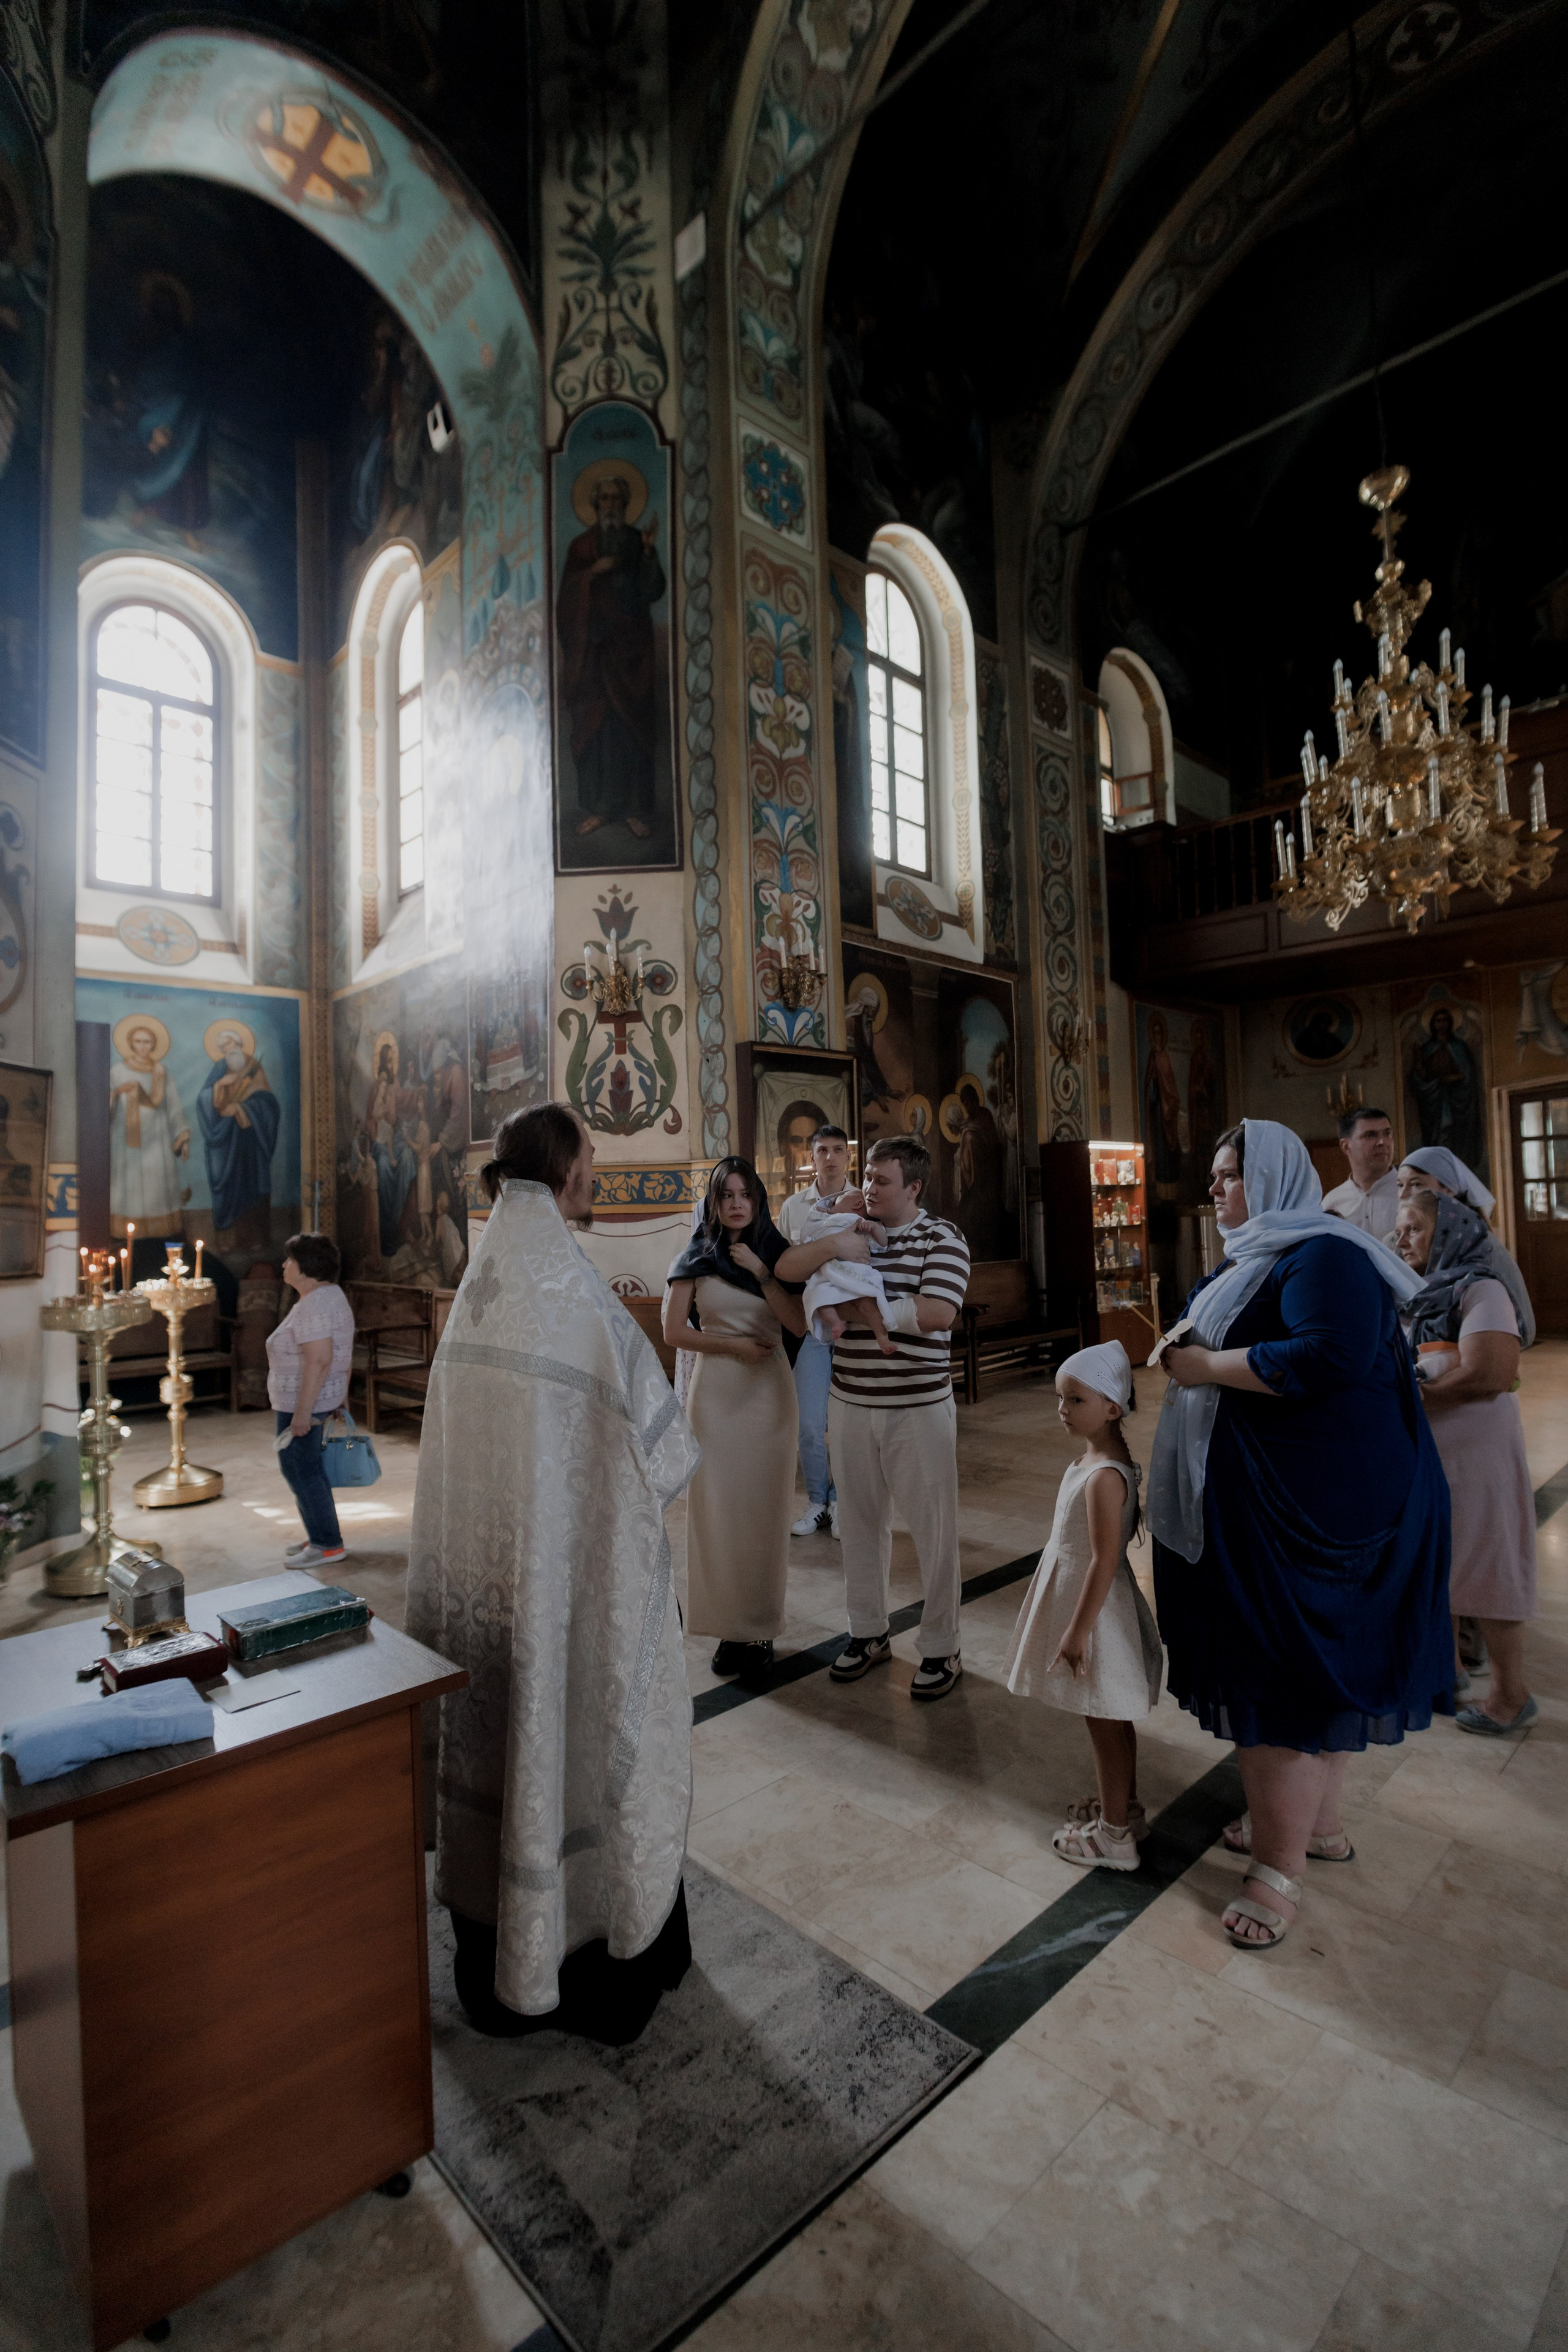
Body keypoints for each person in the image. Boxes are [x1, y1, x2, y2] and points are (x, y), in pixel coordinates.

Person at [405, 1102, 700, 2045]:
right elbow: (663, 1451)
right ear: (566, 1170)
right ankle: (589, 1962)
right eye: (591, 1156)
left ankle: (494, 1960)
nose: (597, 1172)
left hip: (487, 1586)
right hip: (563, 1585)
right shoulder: (573, 1297)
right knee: (574, 1735)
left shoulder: (481, 1287)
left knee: (504, 1743)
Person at [1150, 1120, 1449, 1952]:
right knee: (1310, 1675)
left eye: (1229, 1174)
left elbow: (1326, 1357)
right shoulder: (1263, 1255)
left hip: (1315, 1513)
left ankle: (1276, 1872)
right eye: (1215, 1175)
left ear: (1275, 1178)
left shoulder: (1324, 1256)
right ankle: (1311, 1824)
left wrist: (1204, 1367)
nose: (1216, 1188)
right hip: (1289, 1498)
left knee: (1277, 1677)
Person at [777, 1133, 971, 1702]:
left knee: (934, 1533)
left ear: (914, 1188)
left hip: (918, 1408)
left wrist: (867, 1310)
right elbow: (799, 1279)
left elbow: (939, 1313)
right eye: (867, 1177)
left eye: (882, 1181)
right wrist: (841, 1268)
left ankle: (942, 1646)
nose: (868, 1188)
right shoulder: (851, 1231)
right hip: (852, 1402)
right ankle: (868, 1632)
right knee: (859, 1527)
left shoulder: (942, 1238)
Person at [1004, 1343, 1163, 1871]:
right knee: (1112, 1720)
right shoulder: (1097, 1462)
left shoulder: (1104, 1477)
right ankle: (1126, 1811)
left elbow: (1103, 1560)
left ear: (1112, 1408)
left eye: (1075, 1400)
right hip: (1091, 1608)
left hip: (1096, 1616)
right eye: (1060, 1398)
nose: (1062, 1409)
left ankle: (1114, 1838)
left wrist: (1076, 1633)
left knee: (1104, 1724)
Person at [1394, 1188, 1537, 1735]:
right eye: (1400, 1231)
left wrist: (1410, 1398)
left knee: (1490, 1566)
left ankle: (1511, 1695)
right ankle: (1447, 1673)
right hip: (1434, 1453)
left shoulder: (1482, 1288)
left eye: (1414, 1228)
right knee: (1441, 1563)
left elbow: (1490, 1372)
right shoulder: (1417, 1293)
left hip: (1480, 1455)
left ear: (1449, 1232)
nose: (1402, 1240)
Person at [665, 1157, 805, 1680]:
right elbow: (674, 1332)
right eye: (727, 1195)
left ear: (759, 1199)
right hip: (716, 1398)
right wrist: (733, 1347)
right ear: (715, 1202)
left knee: (764, 1513)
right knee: (719, 1515)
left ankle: (760, 1626)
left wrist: (762, 1272)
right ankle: (729, 1627)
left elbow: (798, 1324)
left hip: (770, 1397)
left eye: (746, 1194)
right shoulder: (696, 1256)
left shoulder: (779, 1255)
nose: (737, 1204)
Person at [557, 473, 665, 841]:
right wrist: (591, 574)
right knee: (597, 726)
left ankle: (634, 809)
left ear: (625, 503)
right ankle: (599, 809)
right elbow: (566, 602)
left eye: (617, 498)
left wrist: (648, 554)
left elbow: (652, 591)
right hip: (595, 650)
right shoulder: (581, 548)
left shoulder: (637, 542)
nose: (611, 505)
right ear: (595, 504)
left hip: (632, 649)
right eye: (604, 498)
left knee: (631, 726)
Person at [774, 1123, 856, 1536]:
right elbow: (785, 1266)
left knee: (847, 1423)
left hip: (853, 1327)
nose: (830, 1158)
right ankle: (817, 1501)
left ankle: (842, 1502)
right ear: (812, 1157)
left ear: (848, 1157)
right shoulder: (794, 1207)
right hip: (810, 1327)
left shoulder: (863, 1201)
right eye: (822, 1150)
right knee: (809, 1423)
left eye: (838, 1150)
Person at [266, 1231, 355, 1569]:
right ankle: (319, 1534)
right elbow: (343, 1351)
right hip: (319, 1398)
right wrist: (342, 1396)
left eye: (290, 1260)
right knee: (305, 1469)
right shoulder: (330, 1296)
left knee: (301, 1470)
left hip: (303, 1403)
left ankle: (327, 1544)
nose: (284, 1265)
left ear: (305, 1267)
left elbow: (320, 1359)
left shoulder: (314, 1304)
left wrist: (302, 1414)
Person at [1396, 1147, 1536, 1347]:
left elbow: (1518, 1323)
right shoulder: (1397, 1241)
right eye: (1400, 1185)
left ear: (1449, 1189)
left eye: (1416, 1184)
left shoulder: (1482, 1246)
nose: (1404, 1195)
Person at [796, 1188, 894, 1351]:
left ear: (858, 1204)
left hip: (854, 1271)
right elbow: (807, 1236)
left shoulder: (859, 1222)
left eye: (838, 1199)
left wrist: (874, 1228)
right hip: (827, 1272)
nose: (832, 1203)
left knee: (868, 1303)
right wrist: (821, 1214)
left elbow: (882, 1244)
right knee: (817, 1298)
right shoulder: (825, 1220)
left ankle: (882, 1336)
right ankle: (836, 1322)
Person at [1320, 1104, 1398, 1238]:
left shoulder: (1412, 1194)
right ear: (1346, 1146)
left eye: (1387, 1134)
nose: (1382, 1142)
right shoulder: (1332, 1203)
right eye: (1370, 1135)